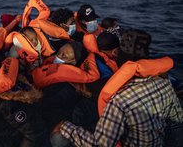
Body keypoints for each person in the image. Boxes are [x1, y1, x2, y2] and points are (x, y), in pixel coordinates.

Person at [55, 29, 183, 147]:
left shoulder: (120, 100)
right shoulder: (165, 83)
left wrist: (65, 127)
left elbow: (100, 145)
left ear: (119, 57)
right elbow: (176, 126)